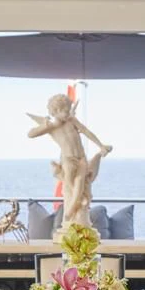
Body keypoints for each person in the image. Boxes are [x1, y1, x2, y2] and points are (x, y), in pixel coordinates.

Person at [27, 94, 112, 231]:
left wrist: (100, 145)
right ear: (55, 111)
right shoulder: (52, 126)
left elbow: (86, 131)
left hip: (81, 157)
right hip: (68, 158)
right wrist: (49, 124)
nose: (68, 113)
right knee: (69, 184)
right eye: (65, 111)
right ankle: (73, 207)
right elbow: (30, 134)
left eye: (69, 110)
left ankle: (71, 209)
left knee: (80, 181)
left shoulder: (72, 120)